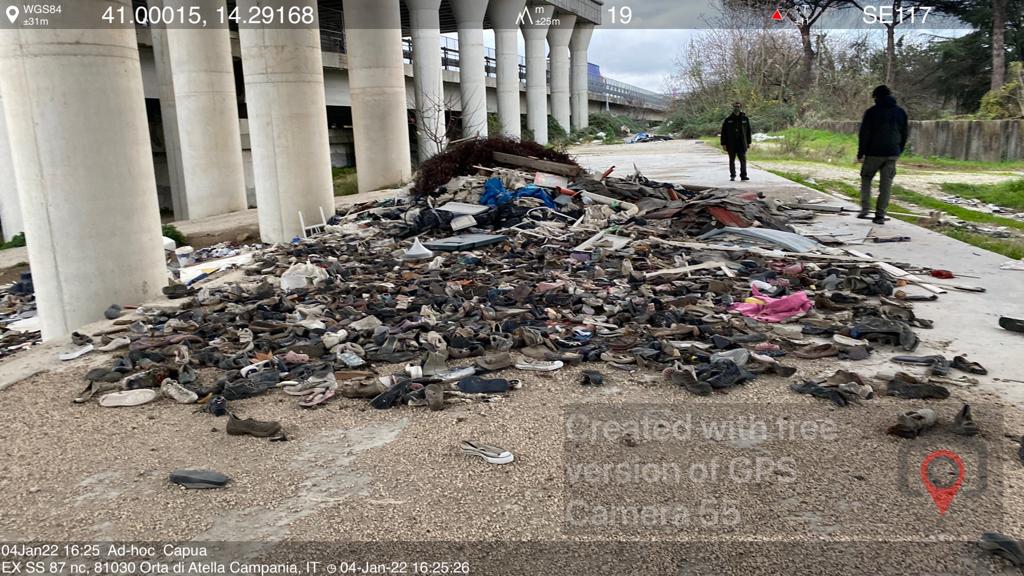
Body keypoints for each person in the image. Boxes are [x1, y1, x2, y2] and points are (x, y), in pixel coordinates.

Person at [856, 85, 909, 225]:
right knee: (886, 185)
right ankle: (880, 215)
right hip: (892, 153)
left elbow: (864, 134)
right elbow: (905, 134)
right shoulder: (901, 112)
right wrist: (898, 150)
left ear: (876, 97)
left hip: (874, 153)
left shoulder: (871, 112)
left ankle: (865, 208)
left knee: (866, 177)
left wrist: (860, 153)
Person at [720, 101, 752, 182]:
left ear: (740, 107)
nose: (736, 108)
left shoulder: (745, 119)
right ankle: (732, 175)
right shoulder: (728, 120)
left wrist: (748, 142)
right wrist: (723, 144)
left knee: (743, 160)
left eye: (738, 106)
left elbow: (748, 131)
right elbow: (723, 132)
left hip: (742, 143)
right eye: (735, 106)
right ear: (733, 107)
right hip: (731, 144)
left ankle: (743, 175)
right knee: (732, 160)